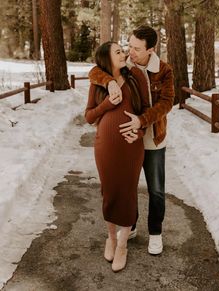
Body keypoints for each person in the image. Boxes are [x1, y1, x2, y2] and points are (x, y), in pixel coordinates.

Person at [89, 25, 174, 255]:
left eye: (136, 49)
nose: (130, 52)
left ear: (151, 50)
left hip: (153, 138)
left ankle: (155, 233)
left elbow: (166, 104)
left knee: (156, 189)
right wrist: (109, 82)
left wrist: (141, 121)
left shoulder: (164, 71)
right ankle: (131, 225)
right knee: (128, 186)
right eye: (129, 46)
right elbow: (95, 71)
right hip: (128, 141)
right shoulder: (125, 66)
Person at [85, 41, 149, 272]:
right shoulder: (98, 82)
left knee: (128, 192)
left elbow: (146, 113)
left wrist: (140, 131)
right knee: (109, 191)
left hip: (132, 147)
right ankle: (111, 238)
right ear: (107, 58)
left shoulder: (135, 78)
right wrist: (105, 105)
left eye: (123, 50)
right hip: (105, 148)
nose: (124, 54)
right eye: (118, 52)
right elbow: (89, 116)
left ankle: (123, 245)